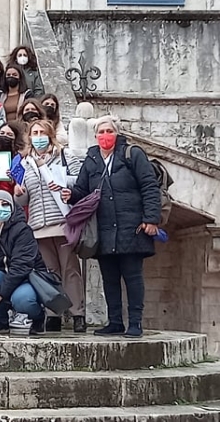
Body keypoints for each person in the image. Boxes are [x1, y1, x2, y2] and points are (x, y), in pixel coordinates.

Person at [65, 115, 161, 338]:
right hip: (104, 228)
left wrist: (151, 218)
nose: (105, 136)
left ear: (116, 133)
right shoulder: (91, 159)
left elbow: (149, 186)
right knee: (109, 278)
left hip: (132, 226)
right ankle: (115, 321)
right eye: (101, 131)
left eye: (109, 131)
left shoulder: (132, 154)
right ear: (95, 135)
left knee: (133, 276)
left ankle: (135, 322)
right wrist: (71, 195)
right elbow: (82, 190)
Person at [14, 120, 85, 333]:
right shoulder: (26, 163)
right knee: (50, 272)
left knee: (70, 270)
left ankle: (78, 314)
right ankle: (54, 314)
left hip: (62, 221)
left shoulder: (64, 156)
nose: (38, 136)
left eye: (42, 132)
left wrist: (65, 185)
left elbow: (80, 181)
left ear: (50, 135)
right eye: (34, 133)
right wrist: (19, 193)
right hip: (38, 225)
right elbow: (25, 200)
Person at [0, 190, 46, 335]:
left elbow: (21, 267)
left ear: (12, 207)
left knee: (23, 299)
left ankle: (38, 317)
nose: (0, 208)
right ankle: (0, 320)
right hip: (4, 276)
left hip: (27, 278)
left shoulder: (23, 230)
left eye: (5, 204)